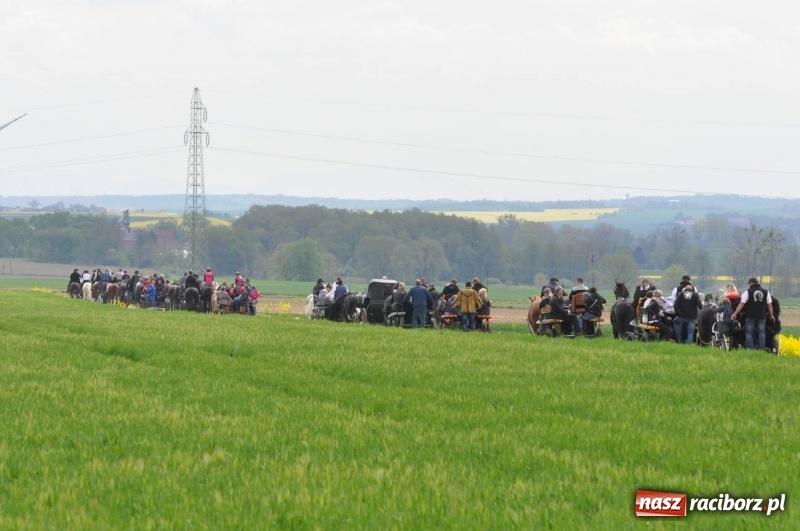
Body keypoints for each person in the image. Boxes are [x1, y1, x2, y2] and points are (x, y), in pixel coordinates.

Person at [731, 277, 774, 350]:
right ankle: (762, 349)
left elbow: (741, 304)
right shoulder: (766, 292)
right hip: (762, 316)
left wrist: (735, 313)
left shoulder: (748, 292)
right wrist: (771, 315)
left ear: (751, 283)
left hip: (750, 316)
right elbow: (769, 305)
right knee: (762, 333)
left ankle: (750, 349)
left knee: (749, 333)